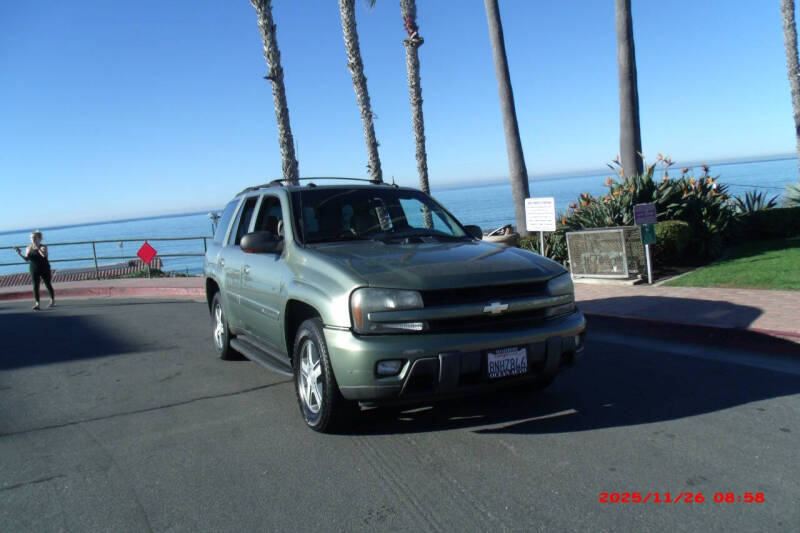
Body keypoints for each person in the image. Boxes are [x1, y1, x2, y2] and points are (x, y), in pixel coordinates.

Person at [14, 230, 55, 310]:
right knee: (35, 285)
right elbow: (26, 259)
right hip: (34, 268)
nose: (32, 239)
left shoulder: (43, 247)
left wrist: (40, 249)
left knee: (47, 284)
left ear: (39, 239)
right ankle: (37, 303)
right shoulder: (28, 248)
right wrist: (19, 253)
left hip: (44, 267)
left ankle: (52, 300)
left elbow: (44, 256)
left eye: (34, 238)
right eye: (31, 238)